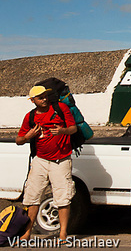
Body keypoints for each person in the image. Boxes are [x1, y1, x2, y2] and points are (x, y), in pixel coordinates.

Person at [15, 85, 77, 241]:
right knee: (32, 197)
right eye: (40, 97)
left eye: (46, 96)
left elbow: (73, 128)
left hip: (61, 160)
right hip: (40, 160)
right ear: (33, 100)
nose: (44, 99)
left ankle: (63, 233)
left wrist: (62, 131)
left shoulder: (60, 108)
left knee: (62, 197)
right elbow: (18, 140)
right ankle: (27, 232)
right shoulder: (30, 117)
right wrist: (28, 136)